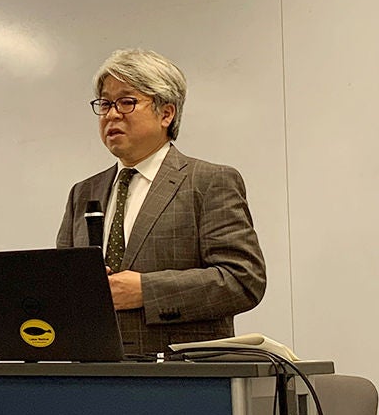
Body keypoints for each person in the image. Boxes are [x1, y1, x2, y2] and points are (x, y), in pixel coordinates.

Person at [56, 48, 266, 355]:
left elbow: (243, 281)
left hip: (182, 373)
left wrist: (146, 291)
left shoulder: (208, 182)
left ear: (166, 114)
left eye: (126, 102)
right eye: (105, 104)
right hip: (94, 369)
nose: (111, 115)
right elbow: (64, 286)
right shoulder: (83, 193)